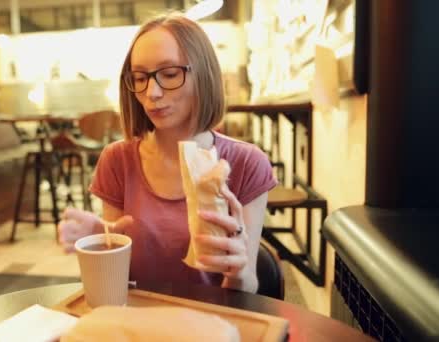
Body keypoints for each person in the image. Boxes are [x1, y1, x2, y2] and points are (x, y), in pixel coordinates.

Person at [57, 13, 277, 293]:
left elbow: (247, 292)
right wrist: (101, 246)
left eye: (170, 74)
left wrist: (239, 269)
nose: (152, 92)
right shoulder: (117, 161)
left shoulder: (247, 163)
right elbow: (115, 291)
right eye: (139, 78)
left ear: (203, 74)